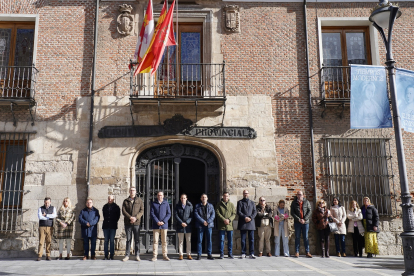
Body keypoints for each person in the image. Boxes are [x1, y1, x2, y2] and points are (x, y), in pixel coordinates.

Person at [122, 187, 144, 262]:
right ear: (129, 191)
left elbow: (142, 210)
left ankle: (137, 255)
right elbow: (124, 211)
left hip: (136, 223)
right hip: (128, 223)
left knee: (137, 240)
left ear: (136, 192)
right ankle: (127, 255)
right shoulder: (125, 201)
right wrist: (130, 218)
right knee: (128, 239)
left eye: (133, 190)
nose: (132, 192)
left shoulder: (139, 200)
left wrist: (135, 218)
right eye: (131, 190)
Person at [150, 191, 171, 261]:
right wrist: (157, 221)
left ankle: (165, 255)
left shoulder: (166, 203)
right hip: (156, 225)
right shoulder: (154, 204)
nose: (160, 197)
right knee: (155, 241)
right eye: (158, 195)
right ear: (157, 196)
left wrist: (163, 221)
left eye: (161, 195)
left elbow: (169, 214)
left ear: (163, 196)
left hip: (164, 225)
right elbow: (152, 213)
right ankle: (154, 256)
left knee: (164, 241)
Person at [290, 190, 312, 258]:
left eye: (300, 194)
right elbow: (292, 212)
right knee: (297, 237)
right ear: (297, 195)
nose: (299, 196)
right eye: (298, 194)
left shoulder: (306, 202)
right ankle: (297, 252)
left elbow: (309, 211)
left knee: (306, 237)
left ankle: (307, 252)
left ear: (303, 195)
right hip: (297, 222)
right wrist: (298, 219)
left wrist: (304, 219)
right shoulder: (294, 203)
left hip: (305, 222)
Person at [215, 191, 236, 259]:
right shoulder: (219, 204)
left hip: (229, 225)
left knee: (230, 240)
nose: (225, 197)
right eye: (224, 196)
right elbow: (217, 213)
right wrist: (224, 219)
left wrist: (229, 220)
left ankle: (230, 253)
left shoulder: (231, 205)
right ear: (222, 196)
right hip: (222, 225)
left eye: (227, 196)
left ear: (229, 197)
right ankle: (221, 253)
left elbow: (234, 214)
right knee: (221, 240)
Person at [194, 193, 215, 260]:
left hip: (209, 225)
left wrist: (207, 222)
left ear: (207, 198)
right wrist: (203, 221)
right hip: (200, 225)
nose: (204, 198)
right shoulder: (197, 206)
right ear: (200, 198)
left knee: (209, 240)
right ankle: (199, 254)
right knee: (200, 240)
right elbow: (196, 215)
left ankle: (209, 254)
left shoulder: (211, 206)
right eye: (202, 197)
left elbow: (213, 215)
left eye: (205, 197)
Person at [237, 189, 257, 259]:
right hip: (243, 222)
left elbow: (255, 212)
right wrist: (245, 217)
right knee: (243, 239)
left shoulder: (252, 203)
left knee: (251, 239)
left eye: (247, 193)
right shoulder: (239, 202)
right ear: (243, 194)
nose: (246, 194)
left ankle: (251, 253)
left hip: (251, 223)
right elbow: (239, 212)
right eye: (244, 193)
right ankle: (243, 253)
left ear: (248, 194)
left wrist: (250, 217)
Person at [37, 197, 57, 261]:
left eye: (48, 202)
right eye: (46, 203)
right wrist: (49, 216)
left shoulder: (53, 208)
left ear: (50, 202)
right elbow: (40, 217)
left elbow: (54, 216)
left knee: (49, 241)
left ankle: (48, 255)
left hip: (50, 226)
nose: (47, 204)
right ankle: (39, 255)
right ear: (44, 202)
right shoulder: (40, 208)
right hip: (42, 226)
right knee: (41, 241)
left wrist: (46, 215)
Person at [175, 193, 193, 260]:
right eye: (182, 198)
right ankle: (181, 254)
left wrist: (187, 222)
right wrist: (181, 222)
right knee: (181, 241)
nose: (183, 199)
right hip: (180, 226)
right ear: (180, 199)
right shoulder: (177, 206)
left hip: (188, 226)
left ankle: (189, 254)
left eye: (184, 198)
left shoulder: (189, 206)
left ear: (186, 198)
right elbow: (176, 215)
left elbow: (191, 216)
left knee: (188, 240)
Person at [102, 195, 121, 260]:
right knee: (106, 240)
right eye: (109, 199)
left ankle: (112, 255)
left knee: (112, 241)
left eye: (111, 199)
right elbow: (104, 215)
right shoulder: (105, 207)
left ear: (113, 199)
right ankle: (106, 255)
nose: (109, 200)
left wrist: (113, 221)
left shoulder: (116, 207)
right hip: (106, 226)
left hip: (113, 226)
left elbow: (118, 216)